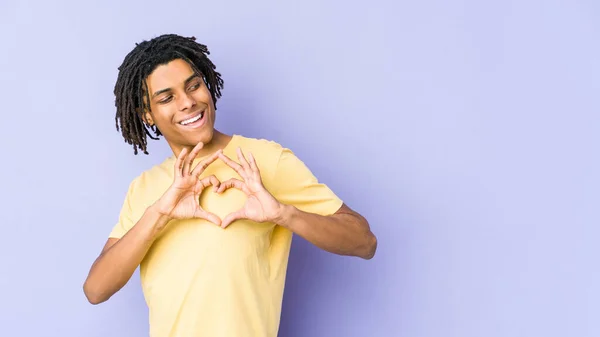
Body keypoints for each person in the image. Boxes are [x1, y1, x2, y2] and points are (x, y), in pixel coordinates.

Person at [83, 33, 377, 337]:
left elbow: (364, 241)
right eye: (167, 98)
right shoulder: (145, 188)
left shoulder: (263, 160)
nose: (188, 103)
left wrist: (284, 215)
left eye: (193, 85)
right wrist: (159, 214)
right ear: (148, 115)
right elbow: (96, 289)